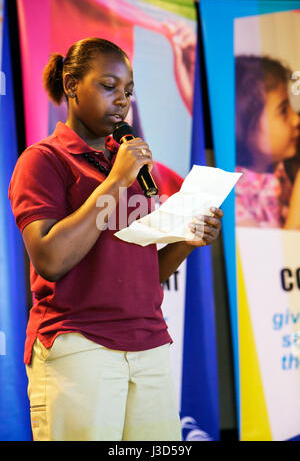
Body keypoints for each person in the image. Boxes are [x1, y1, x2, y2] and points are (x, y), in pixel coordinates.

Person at [8, 37, 223, 442]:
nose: (122, 101)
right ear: (72, 85)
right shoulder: (44, 161)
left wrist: (186, 239)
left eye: (128, 91)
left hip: (150, 343)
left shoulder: (130, 163)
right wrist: (115, 180)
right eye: (109, 86)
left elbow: (146, 274)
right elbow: (50, 259)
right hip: (79, 345)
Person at [235, 55, 300, 228]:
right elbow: (268, 254)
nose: (296, 120)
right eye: (283, 110)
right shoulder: (232, 195)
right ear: (245, 125)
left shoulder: (284, 172)